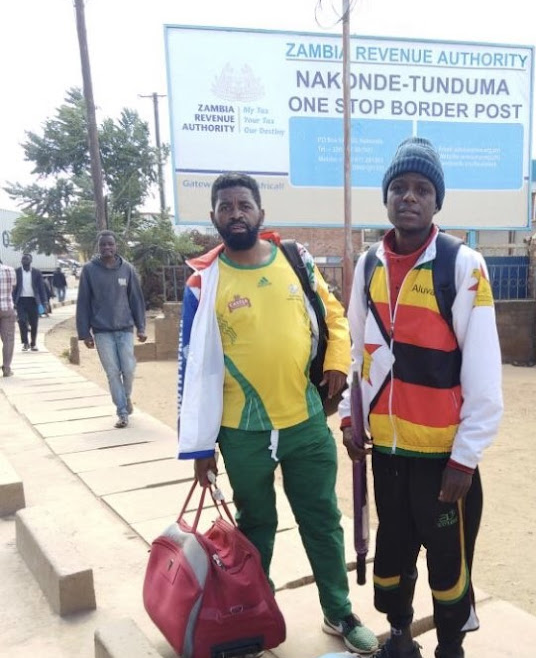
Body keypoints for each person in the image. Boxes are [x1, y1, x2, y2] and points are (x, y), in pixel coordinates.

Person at [177, 172, 379, 656]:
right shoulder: (203, 282)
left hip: (305, 422)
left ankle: (339, 611)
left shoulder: (295, 259)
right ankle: (253, 614)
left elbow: (332, 313)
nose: (235, 213)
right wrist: (200, 447)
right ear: (214, 219)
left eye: (244, 204)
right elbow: (191, 367)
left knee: (322, 518)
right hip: (241, 431)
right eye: (225, 207)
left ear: (260, 213)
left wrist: (334, 361)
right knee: (255, 526)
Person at [338, 137, 504, 658]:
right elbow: (355, 350)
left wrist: (466, 456)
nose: (409, 197)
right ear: (387, 196)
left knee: (449, 559)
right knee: (392, 549)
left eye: (422, 189)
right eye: (400, 187)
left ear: (437, 202)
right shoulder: (368, 265)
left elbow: (483, 372)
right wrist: (349, 417)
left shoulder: (462, 265)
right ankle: (401, 636)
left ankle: (451, 645)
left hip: (442, 458)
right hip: (386, 452)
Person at [76, 231, 147, 428]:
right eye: (103, 245)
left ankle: (125, 397)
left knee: (129, 369)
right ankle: (122, 411)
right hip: (102, 331)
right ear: (98, 248)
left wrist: (141, 327)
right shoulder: (90, 270)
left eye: (110, 244)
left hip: (125, 329)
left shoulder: (127, 269)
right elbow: (83, 302)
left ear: (116, 246)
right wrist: (84, 333)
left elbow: (136, 300)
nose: (107, 248)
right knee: (113, 372)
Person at [12, 253, 48, 352]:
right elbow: (14, 288)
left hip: (33, 301)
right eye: (23, 259)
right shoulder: (17, 272)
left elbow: (41, 289)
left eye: (27, 259)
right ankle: (25, 343)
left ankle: (33, 343)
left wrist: (44, 302)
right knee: (22, 321)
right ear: (21, 261)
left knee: (34, 323)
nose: (25, 260)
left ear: (30, 261)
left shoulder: (37, 272)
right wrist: (13, 300)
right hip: (21, 301)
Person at [0, 257, 16, 376]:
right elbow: (13, 287)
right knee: (8, 339)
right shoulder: (10, 270)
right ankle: (6, 368)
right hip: (7, 308)